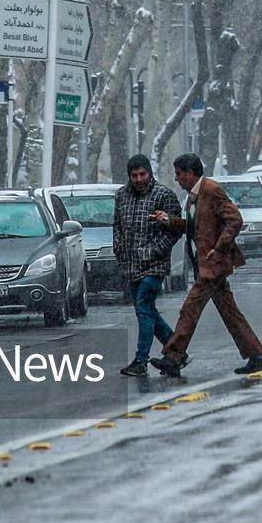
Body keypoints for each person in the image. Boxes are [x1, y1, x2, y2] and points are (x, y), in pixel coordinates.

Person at [151, 153, 262, 377]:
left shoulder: (211, 190)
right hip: (207, 265)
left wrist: (219, 248)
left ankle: (173, 357)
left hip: (212, 265)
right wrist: (169, 221)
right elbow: (194, 227)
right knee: (230, 313)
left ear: (190, 173)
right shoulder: (193, 196)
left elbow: (234, 219)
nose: (177, 179)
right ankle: (259, 356)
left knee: (190, 309)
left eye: (179, 174)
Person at [113, 154, 184, 377]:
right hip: (130, 265)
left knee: (144, 307)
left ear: (149, 173)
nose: (139, 179)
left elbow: (176, 230)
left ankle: (141, 360)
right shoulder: (121, 196)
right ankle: (177, 352)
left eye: (142, 174)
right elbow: (117, 225)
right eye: (134, 175)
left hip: (155, 266)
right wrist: (118, 247)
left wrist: (153, 250)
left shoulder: (164, 195)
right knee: (148, 311)